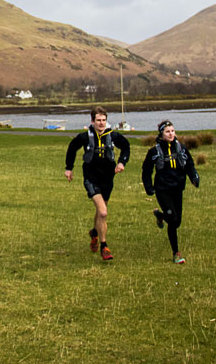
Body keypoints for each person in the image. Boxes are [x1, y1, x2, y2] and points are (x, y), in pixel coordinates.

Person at [64, 106, 130, 261]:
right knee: (103, 212)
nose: (101, 123)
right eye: (98, 120)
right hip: (91, 178)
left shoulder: (113, 135)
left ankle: (94, 233)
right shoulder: (85, 136)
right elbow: (72, 149)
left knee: (102, 210)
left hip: (107, 178)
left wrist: (122, 163)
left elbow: (126, 147)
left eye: (104, 120)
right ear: (92, 121)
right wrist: (69, 168)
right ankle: (104, 247)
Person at [141, 120, 200, 264]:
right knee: (173, 219)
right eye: (167, 131)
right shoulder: (154, 152)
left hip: (178, 188)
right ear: (161, 134)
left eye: (172, 131)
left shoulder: (182, 149)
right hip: (162, 190)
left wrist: (194, 177)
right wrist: (149, 187)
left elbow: (189, 165)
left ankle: (160, 216)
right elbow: (146, 171)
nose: (171, 134)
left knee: (177, 221)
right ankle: (176, 253)